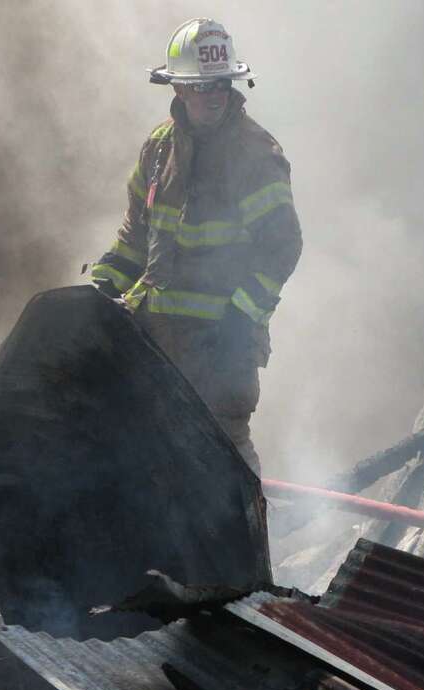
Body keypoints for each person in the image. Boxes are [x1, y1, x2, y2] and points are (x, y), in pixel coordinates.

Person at [87, 18, 302, 474]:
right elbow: (136, 234)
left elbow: (282, 247)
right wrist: (103, 286)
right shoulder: (159, 147)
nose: (215, 95)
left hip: (220, 349)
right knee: (146, 460)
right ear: (179, 88)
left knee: (227, 458)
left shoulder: (254, 155)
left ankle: (250, 542)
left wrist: (240, 316)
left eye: (222, 83)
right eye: (202, 86)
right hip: (157, 343)